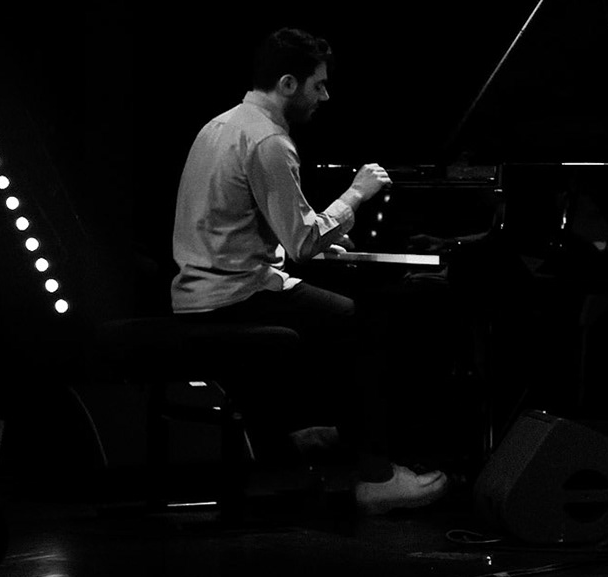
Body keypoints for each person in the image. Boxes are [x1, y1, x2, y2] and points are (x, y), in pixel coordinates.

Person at [170, 27, 448, 514]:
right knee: (361, 322)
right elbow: (300, 243)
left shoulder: (218, 126)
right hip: (236, 296)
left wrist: (325, 234)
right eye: (318, 85)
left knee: (335, 316)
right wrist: (355, 194)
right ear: (287, 84)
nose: (325, 96)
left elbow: (255, 225)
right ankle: (376, 475)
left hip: (197, 293)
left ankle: (320, 434)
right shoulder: (269, 141)